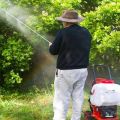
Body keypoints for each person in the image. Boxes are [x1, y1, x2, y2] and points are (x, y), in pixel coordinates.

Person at [49, 10, 91, 120]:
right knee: (78, 97)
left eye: (63, 21)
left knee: (61, 100)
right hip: (82, 70)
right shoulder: (86, 32)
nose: (62, 23)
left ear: (66, 22)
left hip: (66, 72)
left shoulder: (62, 32)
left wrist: (51, 46)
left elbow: (53, 51)